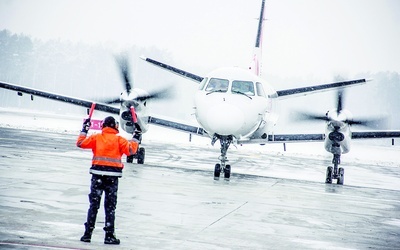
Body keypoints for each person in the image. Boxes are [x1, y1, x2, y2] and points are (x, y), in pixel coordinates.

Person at [76, 116, 139, 245]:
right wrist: (136, 137)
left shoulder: (96, 137)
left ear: (103, 126)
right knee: (110, 207)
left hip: (97, 176)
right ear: (115, 126)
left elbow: (80, 143)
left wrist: (84, 129)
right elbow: (131, 150)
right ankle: (109, 235)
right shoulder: (119, 140)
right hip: (112, 178)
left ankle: (87, 234)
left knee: (93, 206)